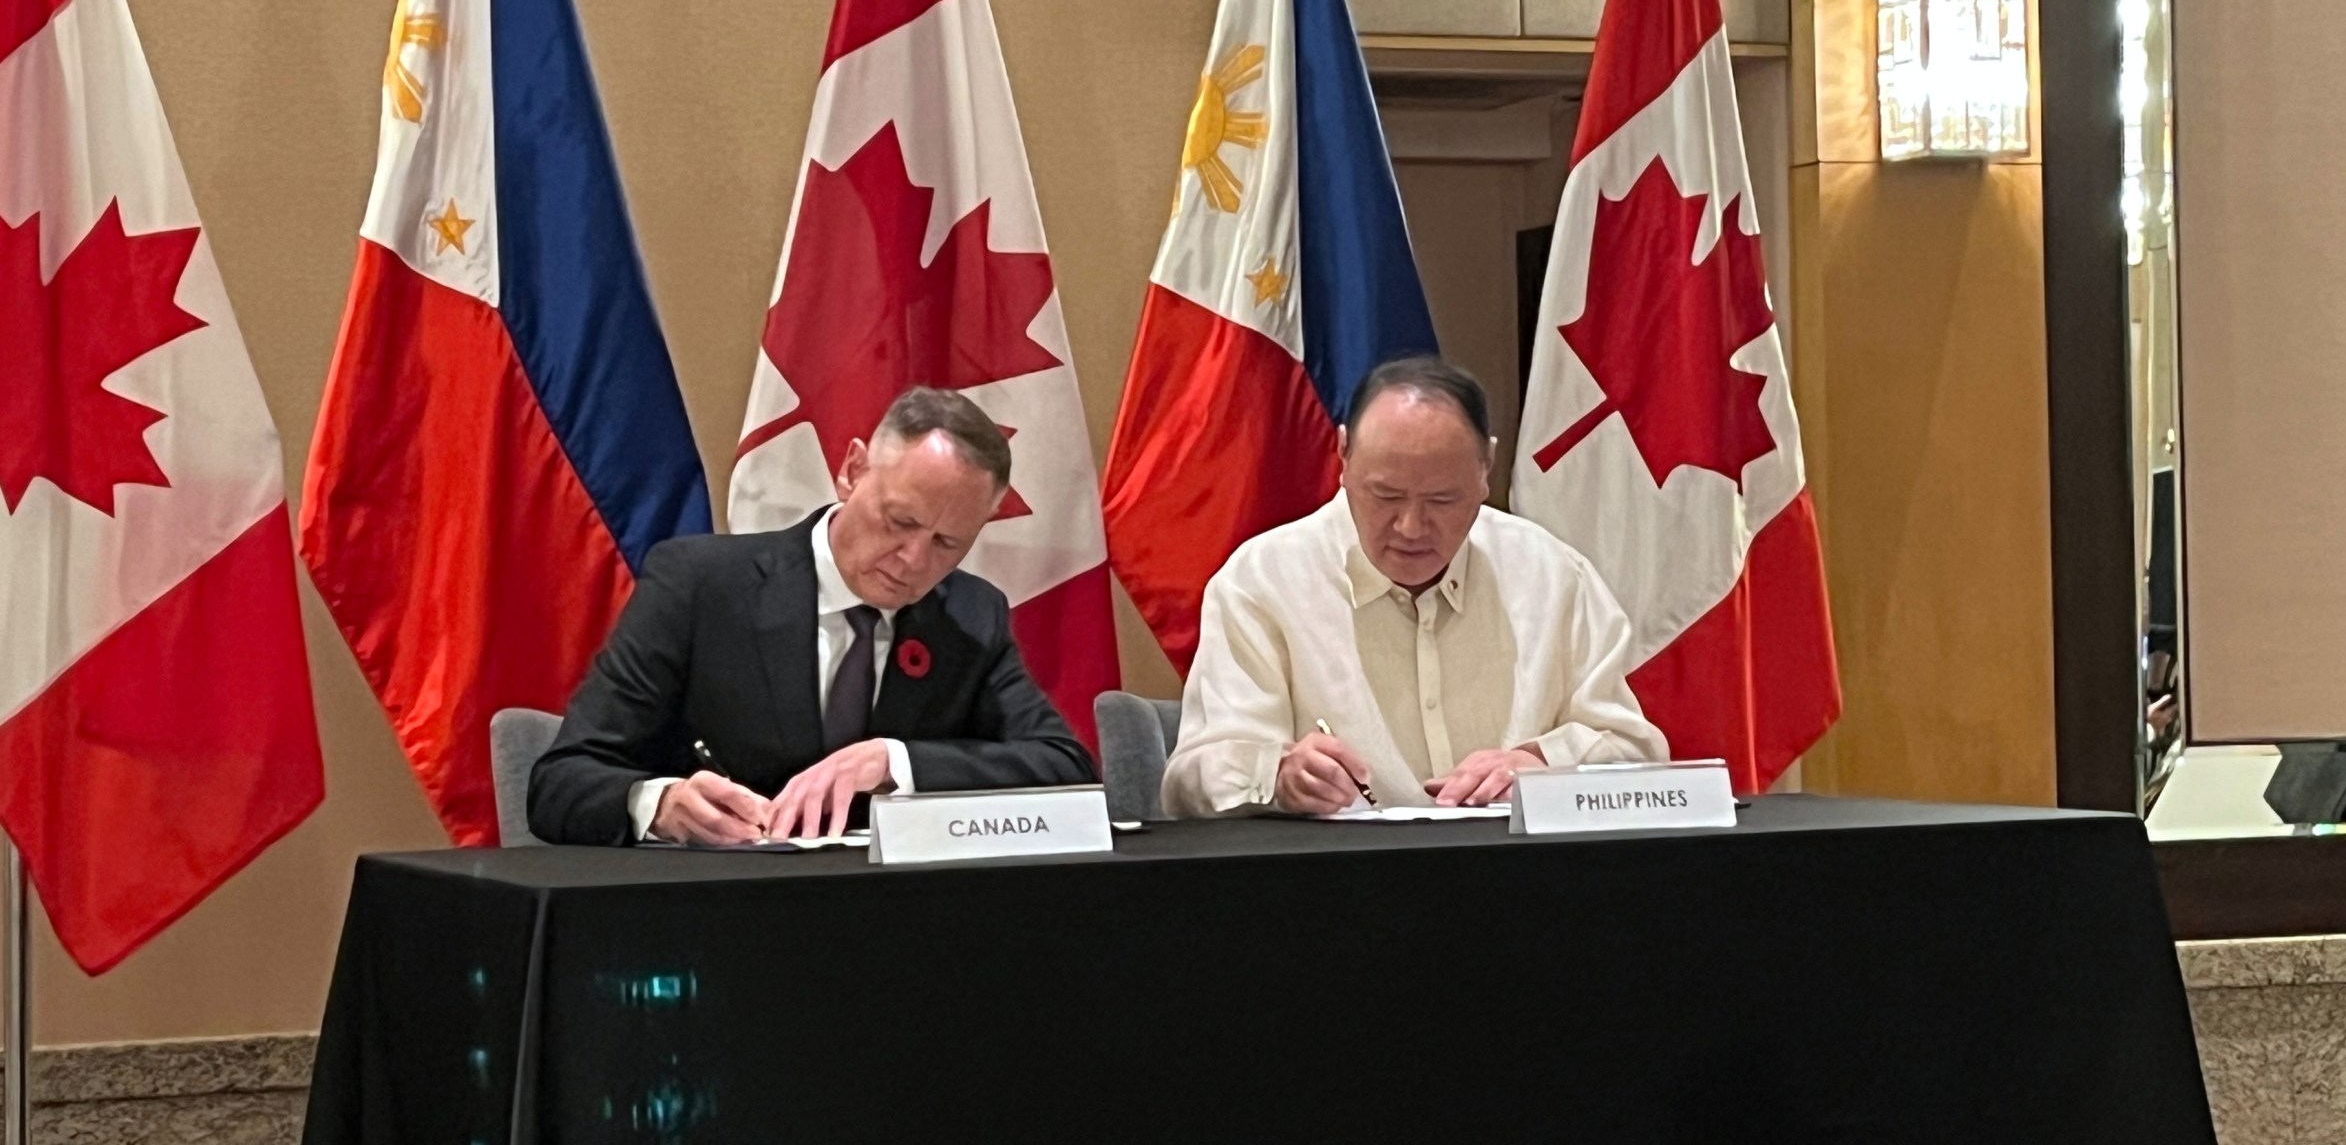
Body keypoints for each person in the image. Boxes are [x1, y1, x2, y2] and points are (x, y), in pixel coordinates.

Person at [529, 387, 1095, 845]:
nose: (915, 561)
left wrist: (892, 759)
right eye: (899, 521)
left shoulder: (970, 613)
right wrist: (659, 803)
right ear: (851, 471)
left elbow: (1065, 768)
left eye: (949, 542)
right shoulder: (700, 587)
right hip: (718, 917)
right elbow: (561, 783)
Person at [1161, 356, 1666, 817]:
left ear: (1485, 467)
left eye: (1442, 500)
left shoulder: (1553, 576)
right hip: (1338, 888)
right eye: (1385, 495)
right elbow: (1190, 778)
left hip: (1520, 883)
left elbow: (1638, 752)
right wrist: (1278, 774)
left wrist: (1542, 763)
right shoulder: (1261, 581)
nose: (1410, 527)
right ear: (1342, 455)